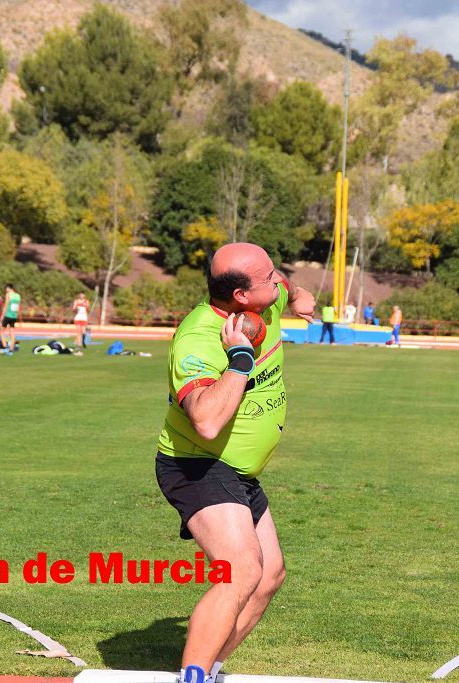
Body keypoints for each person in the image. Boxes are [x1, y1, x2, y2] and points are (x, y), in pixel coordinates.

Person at [156, 243, 315, 683]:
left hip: (237, 471)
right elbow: (205, 421)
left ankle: (209, 669)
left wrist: (301, 297)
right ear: (241, 296)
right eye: (269, 279)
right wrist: (240, 358)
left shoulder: (269, 295)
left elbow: (289, 287)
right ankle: (191, 678)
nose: (277, 281)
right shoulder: (198, 338)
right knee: (242, 569)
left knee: (269, 577)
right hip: (197, 464)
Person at [1, 283, 21, 354]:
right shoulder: (18, 296)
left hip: (8, 315)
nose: (6, 290)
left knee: (1, 331)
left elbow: (6, 305)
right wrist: (17, 316)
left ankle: (5, 346)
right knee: (12, 333)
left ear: (9, 288)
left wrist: (2, 316)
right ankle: (11, 348)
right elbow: (18, 307)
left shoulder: (8, 294)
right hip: (14, 316)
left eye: (6, 289)